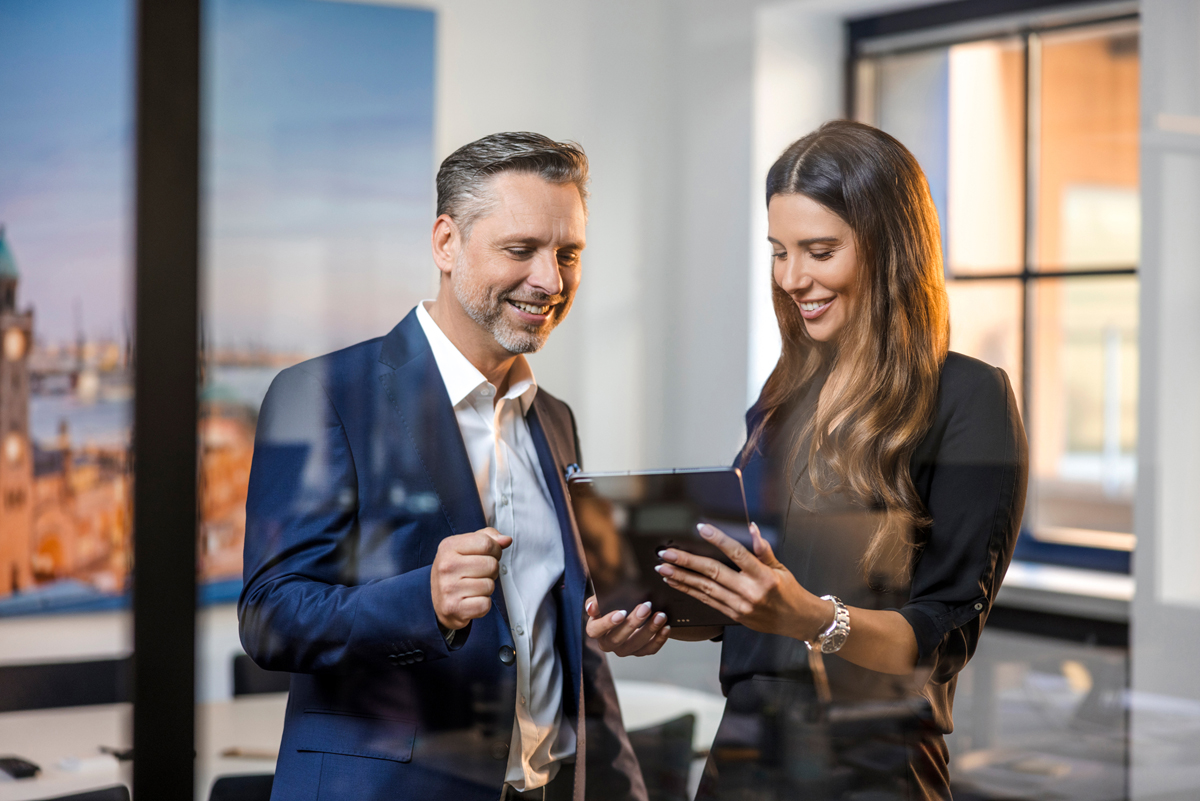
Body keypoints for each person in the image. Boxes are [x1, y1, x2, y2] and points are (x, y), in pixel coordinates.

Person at [588, 120, 1028, 800]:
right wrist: (662, 618)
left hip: (873, 772)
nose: (793, 278)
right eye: (779, 251)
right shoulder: (785, 399)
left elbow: (944, 635)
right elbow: (760, 604)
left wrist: (818, 619)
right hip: (741, 764)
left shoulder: (969, 398)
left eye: (819, 250)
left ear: (889, 249)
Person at [240, 132, 648, 801]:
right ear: (445, 243)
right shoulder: (320, 396)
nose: (550, 280)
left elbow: (571, 646)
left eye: (567, 253)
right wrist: (423, 599)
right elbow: (270, 615)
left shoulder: (555, 419)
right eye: (520, 250)